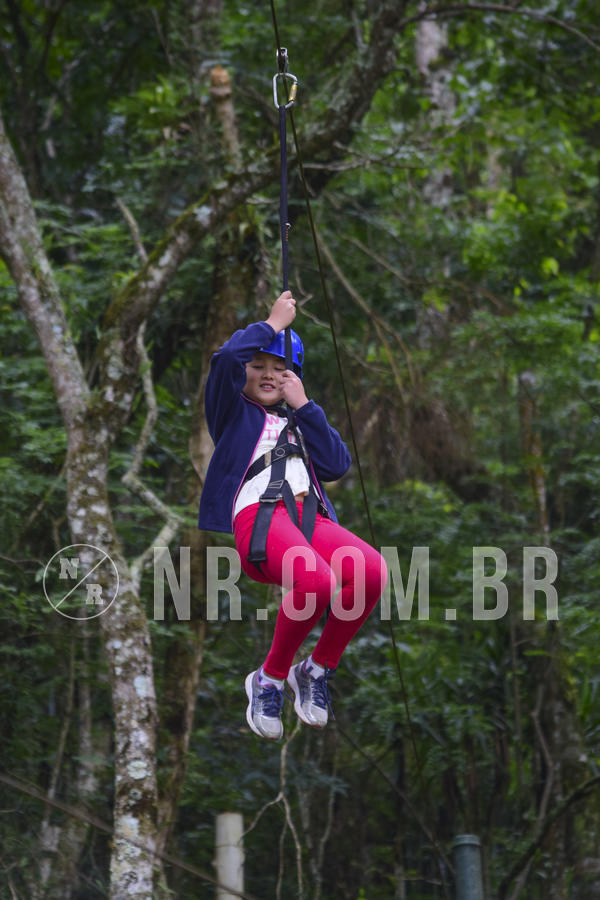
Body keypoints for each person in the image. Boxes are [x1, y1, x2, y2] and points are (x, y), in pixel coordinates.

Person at [198, 290, 387, 740]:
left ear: (293, 377)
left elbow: (337, 463)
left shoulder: (299, 420)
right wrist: (272, 324)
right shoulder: (232, 414)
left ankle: (317, 669)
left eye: (279, 368)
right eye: (258, 366)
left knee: (371, 571)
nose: (267, 374)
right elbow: (225, 361)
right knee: (317, 581)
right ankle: (269, 678)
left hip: (308, 518)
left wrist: (304, 406)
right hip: (260, 519)